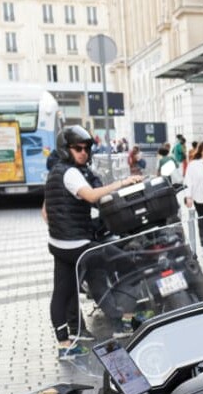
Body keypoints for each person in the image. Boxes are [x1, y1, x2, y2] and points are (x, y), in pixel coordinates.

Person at [43, 124, 143, 358]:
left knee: (62, 293)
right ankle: (125, 321)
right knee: (129, 264)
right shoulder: (70, 172)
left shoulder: (55, 173)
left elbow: (46, 212)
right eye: (78, 148)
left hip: (59, 245)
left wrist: (61, 225)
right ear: (66, 150)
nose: (83, 153)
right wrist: (122, 183)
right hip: (78, 246)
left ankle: (65, 345)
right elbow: (90, 195)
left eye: (86, 148)